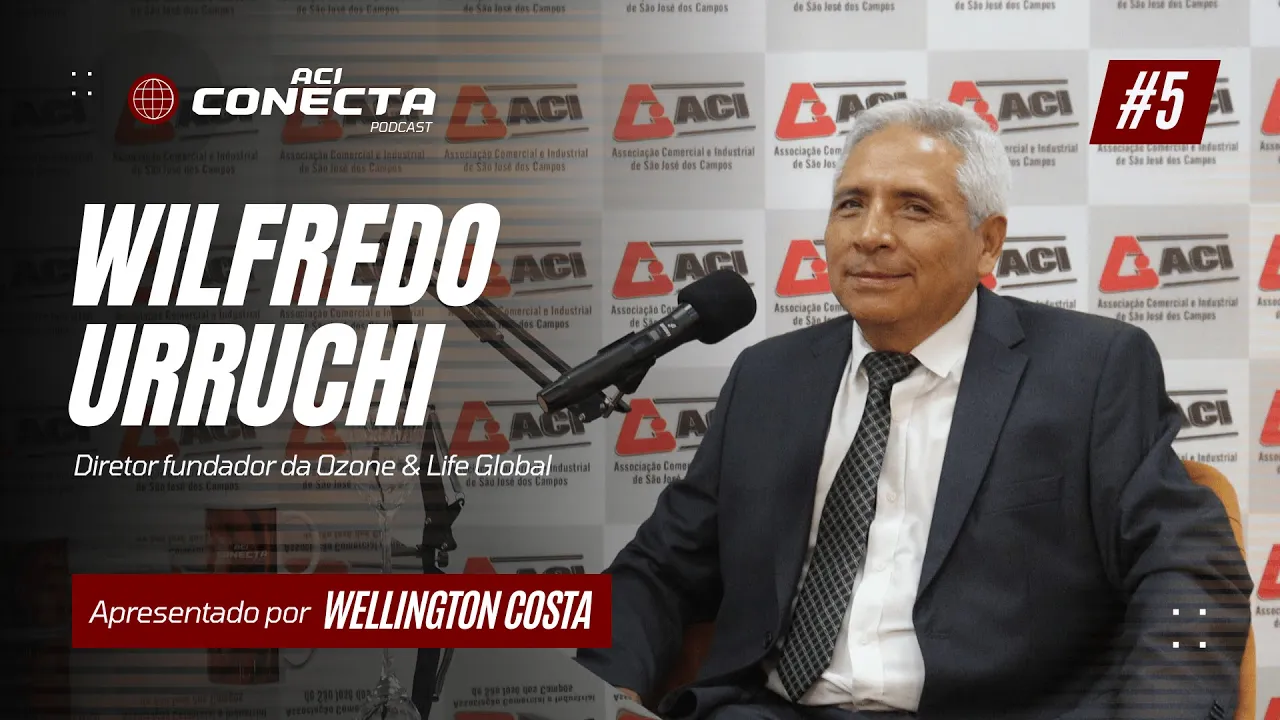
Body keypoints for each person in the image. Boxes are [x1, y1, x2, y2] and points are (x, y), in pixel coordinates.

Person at [575, 98, 1253, 720]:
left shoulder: (1090, 370)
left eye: (913, 208)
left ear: (988, 242)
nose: (870, 234)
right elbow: (660, 568)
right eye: (850, 205)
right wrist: (602, 692)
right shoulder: (769, 377)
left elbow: (1190, 566)